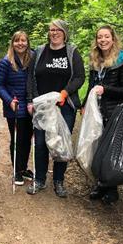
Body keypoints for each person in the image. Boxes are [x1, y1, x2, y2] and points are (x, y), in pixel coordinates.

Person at [26, 19, 85, 197]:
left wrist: (65, 93)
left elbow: (79, 77)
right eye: (51, 30)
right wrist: (31, 101)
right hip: (43, 106)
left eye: (58, 30)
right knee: (41, 143)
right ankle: (40, 179)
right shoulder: (40, 52)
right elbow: (31, 77)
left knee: (61, 143)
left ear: (64, 33)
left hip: (64, 106)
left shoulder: (72, 52)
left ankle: (59, 181)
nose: (54, 33)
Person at [83, 25, 123, 205]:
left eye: (106, 37)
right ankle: (100, 184)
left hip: (114, 112)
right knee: (97, 149)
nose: (103, 40)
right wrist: (83, 106)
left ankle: (111, 189)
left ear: (113, 38)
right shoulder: (95, 59)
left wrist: (105, 89)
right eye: (99, 37)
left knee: (111, 152)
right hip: (96, 111)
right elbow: (91, 85)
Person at [0, 31, 34, 186]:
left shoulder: (32, 58)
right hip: (15, 106)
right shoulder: (6, 62)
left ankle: (23, 168)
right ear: (12, 43)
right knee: (17, 139)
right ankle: (16, 170)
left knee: (27, 138)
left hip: (30, 105)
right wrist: (9, 100)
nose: (20, 43)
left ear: (27, 42)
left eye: (23, 40)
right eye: (17, 41)